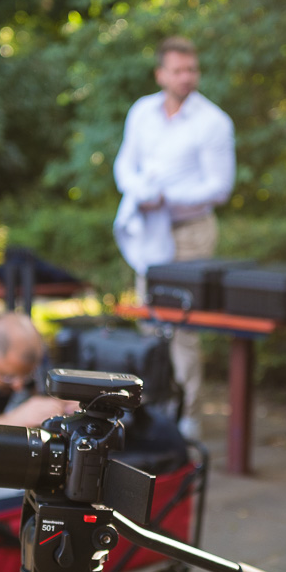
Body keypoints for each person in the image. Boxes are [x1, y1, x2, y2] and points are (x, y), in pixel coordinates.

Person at [111, 36, 235, 440]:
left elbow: (220, 188)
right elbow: (125, 164)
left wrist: (166, 198)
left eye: (192, 70)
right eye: (178, 70)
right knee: (150, 324)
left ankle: (189, 418)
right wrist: (138, 193)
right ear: (160, 73)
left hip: (190, 234)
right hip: (149, 233)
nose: (187, 77)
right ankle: (151, 409)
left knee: (182, 331)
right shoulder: (142, 111)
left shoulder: (213, 122)